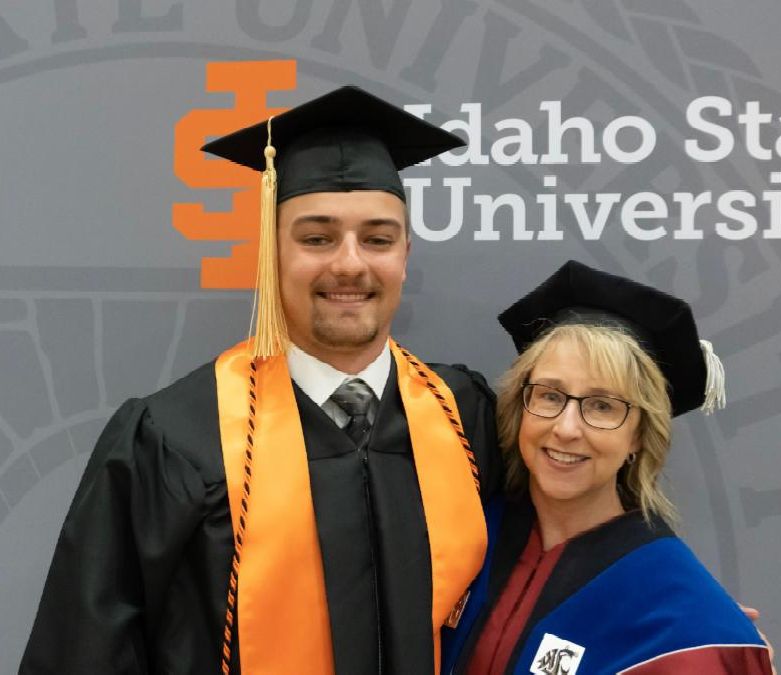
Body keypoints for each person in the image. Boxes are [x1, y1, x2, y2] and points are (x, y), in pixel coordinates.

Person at [20, 86, 500, 675]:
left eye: (377, 238)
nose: (350, 263)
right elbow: (84, 654)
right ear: (271, 250)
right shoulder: (176, 439)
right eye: (316, 237)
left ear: (405, 253)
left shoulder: (463, 415)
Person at [442, 260, 775, 674]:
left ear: (638, 435)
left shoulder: (681, 624)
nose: (566, 428)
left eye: (602, 406)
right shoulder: (459, 538)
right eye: (549, 395)